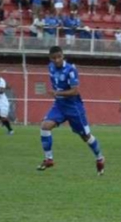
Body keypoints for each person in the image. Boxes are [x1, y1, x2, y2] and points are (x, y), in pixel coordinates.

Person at [37, 46, 105, 175]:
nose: (56, 60)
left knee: (85, 136)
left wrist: (56, 92)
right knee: (45, 126)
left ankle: (100, 158)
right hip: (59, 105)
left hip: (74, 108)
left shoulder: (71, 69)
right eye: (54, 58)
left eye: (59, 57)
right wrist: (57, 95)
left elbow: (75, 91)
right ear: (50, 58)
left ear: (63, 56)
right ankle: (49, 159)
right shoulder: (50, 67)